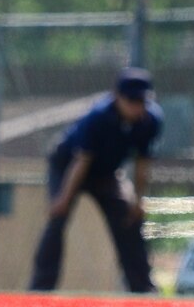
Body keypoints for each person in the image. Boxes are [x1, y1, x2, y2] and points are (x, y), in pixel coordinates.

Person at [29, 68, 164, 294]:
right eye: (131, 100)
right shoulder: (99, 117)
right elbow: (82, 160)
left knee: (128, 218)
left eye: (141, 100)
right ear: (117, 96)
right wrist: (63, 198)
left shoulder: (151, 120)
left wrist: (138, 199)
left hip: (106, 173)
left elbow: (142, 163)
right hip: (69, 166)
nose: (137, 106)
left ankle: (143, 289)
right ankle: (40, 289)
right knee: (58, 219)